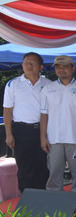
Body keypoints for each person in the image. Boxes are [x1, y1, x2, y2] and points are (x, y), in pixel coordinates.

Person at [40, 55, 76, 196]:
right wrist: (43, 137)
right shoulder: (47, 89)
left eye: (65, 66)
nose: (61, 69)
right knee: (54, 177)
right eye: (58, 66)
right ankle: (55, 210)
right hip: (53, 140)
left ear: (73, 68)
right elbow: (44, 115)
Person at [3, 52, 51, 192]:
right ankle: (26, 201)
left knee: (42, 166)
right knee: (25, 168)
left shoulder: (48, 84)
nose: (29, 66)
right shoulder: (13, 84)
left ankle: (43, 199)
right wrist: (9, 134)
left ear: (41, 66)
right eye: (26, 63)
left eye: (33, 63)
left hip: (43, 131)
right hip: (22, 131)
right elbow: (7, 111)